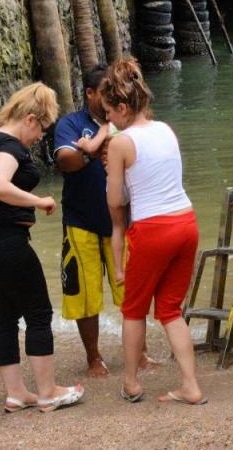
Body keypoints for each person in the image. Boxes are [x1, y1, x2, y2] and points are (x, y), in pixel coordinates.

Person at [0, 82, 84, 413]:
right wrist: (39, 200)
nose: (41, 137)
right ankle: (47, 392)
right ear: (30, 119)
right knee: (38, 312)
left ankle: (16, 393)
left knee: (4, 315)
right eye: (42, 129)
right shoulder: (9, 147)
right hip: (5, 242)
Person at [100, 57, 206, 405]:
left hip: (153, 228)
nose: (109, 122)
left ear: (122, 106)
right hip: (186, 222)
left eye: (110, 115)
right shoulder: (166, 130)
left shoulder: (120, 143)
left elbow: (116, 200)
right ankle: (190, 384)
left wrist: (112, 177)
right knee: (171, 309)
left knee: (133, 309)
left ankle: (130, 383)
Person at [53, 64, 156, 377]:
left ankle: (140, 353)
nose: (110, 96)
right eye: (104, 92)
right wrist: (90, 154)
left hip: (124, 222)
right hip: (81, 220)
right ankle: (94, 358)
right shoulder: (72, 124)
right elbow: (64, 160)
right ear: (90, 94)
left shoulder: (126, 120)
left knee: (132, 291)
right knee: (85, 296)